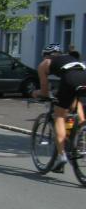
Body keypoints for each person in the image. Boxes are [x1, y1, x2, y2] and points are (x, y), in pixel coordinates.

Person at [32, 43, 86, 171]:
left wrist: (36, 93)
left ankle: (61, 156)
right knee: (76, 102)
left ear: (45, 55)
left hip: (70, 79)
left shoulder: (44, 64)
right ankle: (82, 132)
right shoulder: (69, 58)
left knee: (59, 116)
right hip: (84, 75)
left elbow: (44, 91)